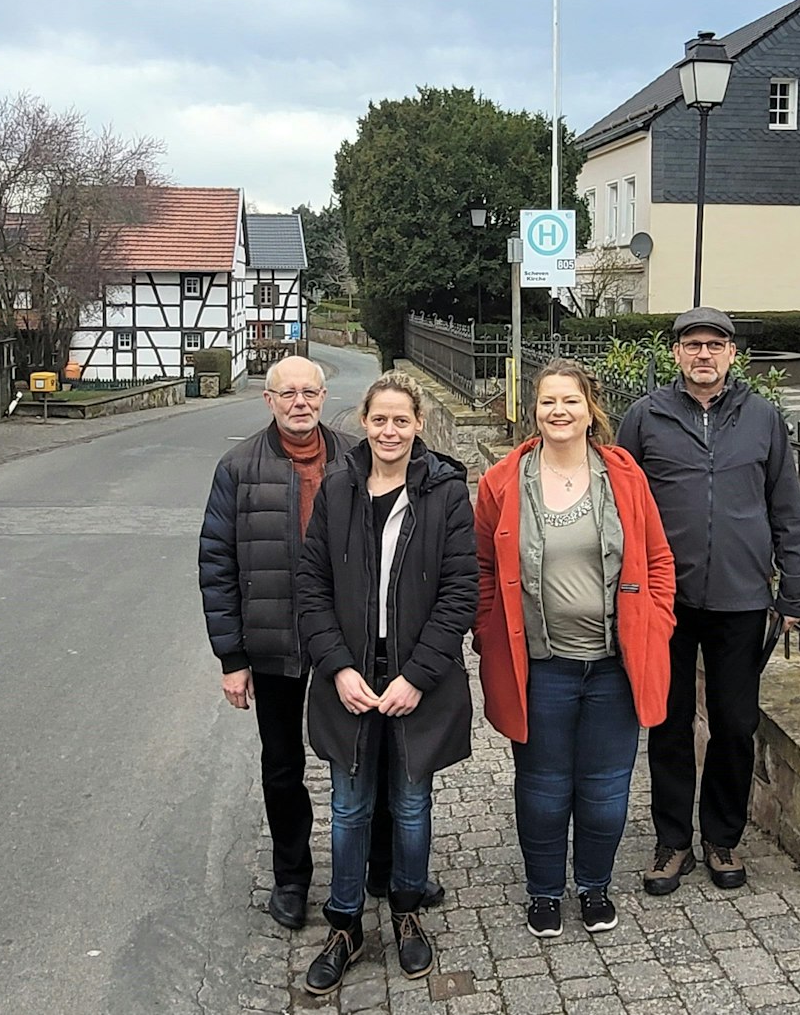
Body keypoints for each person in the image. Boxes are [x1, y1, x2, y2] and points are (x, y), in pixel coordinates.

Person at [197, 357, 442, 932]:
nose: (300, 402)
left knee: (373, 755)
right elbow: (216, 564)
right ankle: (292, 876)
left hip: (351, 639)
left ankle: (384, 867)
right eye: (288, 393)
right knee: (283, 765)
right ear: (269, 399)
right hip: (275, 639)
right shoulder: (236, 467)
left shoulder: (354, 458)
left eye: (310, 392)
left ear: (326, 395)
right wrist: (232, 657)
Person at [474, 359, 676, 939]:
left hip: (614, 666)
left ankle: (594, 887)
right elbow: (483, 568)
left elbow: (658, 560)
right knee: (542, 787)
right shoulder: (504, 482)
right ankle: (544, 892)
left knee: (607, 786)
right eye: (547, 402)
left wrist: (655, 623)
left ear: (591, 409)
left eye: (570, 401)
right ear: (533, 411)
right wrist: (489, 630)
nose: (558, 411)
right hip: (540, 667)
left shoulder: (625, 477)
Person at [616, 307, 800, 895]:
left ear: (732, 354)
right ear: (676, 353)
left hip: (741, 595)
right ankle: (673, 840)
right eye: (693, 344)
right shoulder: (646, 417)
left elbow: (788, 508)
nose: (704, 354)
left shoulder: (762, 419)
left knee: (735, 722)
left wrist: (796, 587)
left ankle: (721, 836)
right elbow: (621, 507)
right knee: (669, 723)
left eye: (715, 344)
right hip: (664, 600)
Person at [294, 372, 477, 996]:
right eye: (380, 420)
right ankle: (343, 924)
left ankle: (406, 910)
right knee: (347, 806)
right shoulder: (338, 490)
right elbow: (310, 587)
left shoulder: (448, 493)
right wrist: (338, 667)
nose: (390, 431)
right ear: (363, 423)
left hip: (413, 679)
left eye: (402, 420)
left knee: (409, 802)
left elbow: (459, 596)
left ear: (419, 424)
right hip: (350, 673)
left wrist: (418, 677)